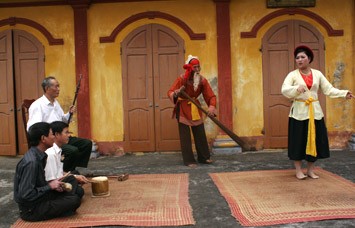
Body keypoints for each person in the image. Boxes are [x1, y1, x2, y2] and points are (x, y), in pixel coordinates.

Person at [281, 45, 354, 180]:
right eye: (297, 58)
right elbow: (284, 90)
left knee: (314, 141)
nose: (299, 60)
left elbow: (329, 90)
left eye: (303, 57)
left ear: (309, 59)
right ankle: (298, 170)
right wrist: (296, 89)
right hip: (298, 113)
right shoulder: (292, 75)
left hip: (315, 113)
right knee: (298, 142)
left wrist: (344, 93)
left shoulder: (318, 74)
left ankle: (310, 170)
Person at [14, 122, 81, 221]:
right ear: (43, 138)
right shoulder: (32, 162)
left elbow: (38, 183)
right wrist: (49, 186)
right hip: (31, 209)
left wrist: (54, 185)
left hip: (40, 197)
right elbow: (26, 195)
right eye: (51, 134)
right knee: (74, 200)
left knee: (71, 181)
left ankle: (63, 206)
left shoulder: (39, 155)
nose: (54, 137)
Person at [27, 76, 92, 172]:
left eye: (58, 86)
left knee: (86, 144)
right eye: (56, 87)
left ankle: (71, 168)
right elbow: (33, 128)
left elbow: (63, 122)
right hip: (51, 139)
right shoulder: (38, 105)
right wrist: (47, 137)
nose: (58, 89)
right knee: (72, 151)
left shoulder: (56, 103)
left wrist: (69, 114)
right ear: (47, 88)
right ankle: (64, 172)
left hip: (61, 136)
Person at [167, 55, 217, 167]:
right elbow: (170, 91)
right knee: (185, 136)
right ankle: (189, 160)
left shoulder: (202, 80)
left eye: (199, 67)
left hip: (195, 107)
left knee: (200, 132)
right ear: (189, 68)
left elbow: (210, 96)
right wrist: (176, 93)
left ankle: (204, 157)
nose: (198, 70)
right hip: (183, 107)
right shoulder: (181, 79)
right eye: (195, 67)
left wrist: (211, 107)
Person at [45, 121, 89, 198]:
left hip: (58, 178)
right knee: (79, 192)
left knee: (76, 173)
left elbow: (59, 172)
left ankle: (74, 187)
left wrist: (75, 176)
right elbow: (52, 180)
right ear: (57, 135)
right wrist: (74, 178)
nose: (69, 135)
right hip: (52, 186)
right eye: (66, 132)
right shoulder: (51, 153)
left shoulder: (58, 149)